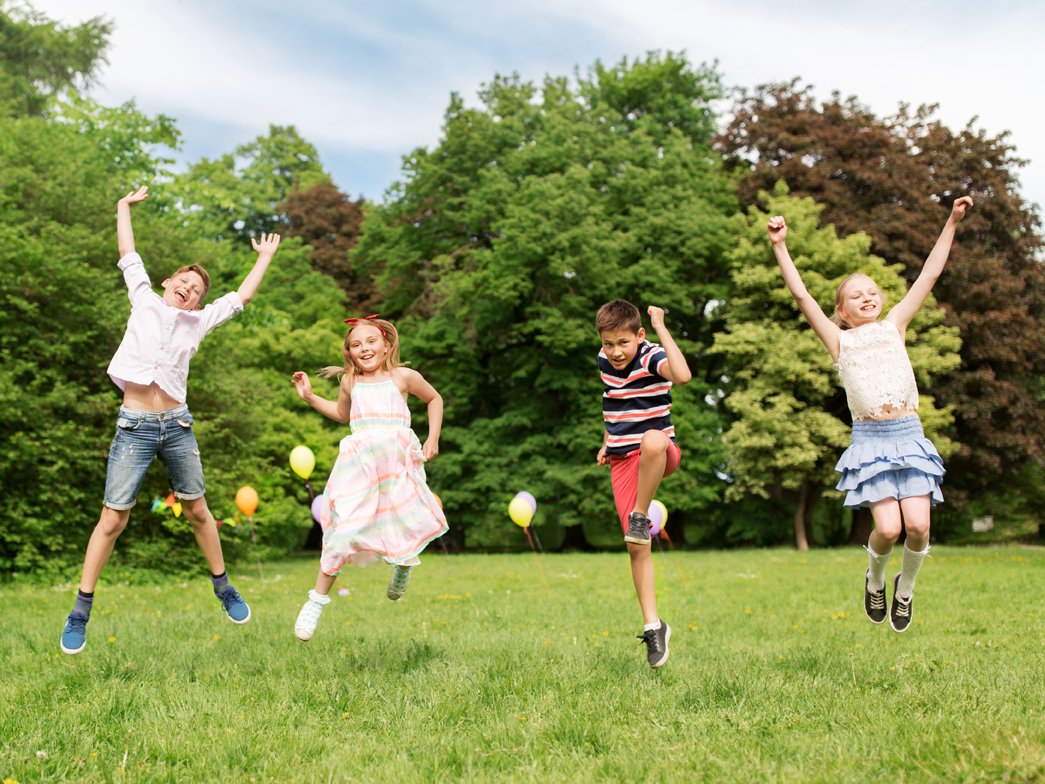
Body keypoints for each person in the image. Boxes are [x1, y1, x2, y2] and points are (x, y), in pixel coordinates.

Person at [60, 186, 281, 655]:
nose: (190, 289)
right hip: (135, 426)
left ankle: (223, 586)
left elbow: (241, 296)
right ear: (167, 282)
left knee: (199, 510)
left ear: (199, 303)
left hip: (177, 425)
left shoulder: (198, 322)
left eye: (197, 290)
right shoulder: (143, 298)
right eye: (184, 281)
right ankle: (80, 609)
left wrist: (263, 257)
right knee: (113, 519)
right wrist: (122, 206)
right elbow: (127, 252)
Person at [767, 195, 973, 633]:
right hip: (871, 442)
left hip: (910, 435)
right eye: (855, 295)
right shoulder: (839, 341)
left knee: (918, 526)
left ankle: (905, 589)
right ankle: (874, 577)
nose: (867, 297)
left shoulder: (895, 325)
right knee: (889, 529)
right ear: (841, 311)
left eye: (872, 291)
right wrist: (781, 247)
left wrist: (952, 221)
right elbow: (801, 296)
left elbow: (930, 274)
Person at [290, 315, 448, 642]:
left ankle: (403, 567)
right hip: (359, 467)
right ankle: (316, 600)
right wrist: (309, 398)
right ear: (349, 353)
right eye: (356, 345)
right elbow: (342, 414)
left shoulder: (403, 377)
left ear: (386, 344)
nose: (365, 348)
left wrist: (433, 438)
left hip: (395, 463)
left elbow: (434, 399)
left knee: (405, 520)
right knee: (341, 529)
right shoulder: (350, 382)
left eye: (371, 341)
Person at [595, 300, 692, 668]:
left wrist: (661, 328)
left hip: (658, 454)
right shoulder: (605, 361)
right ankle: (654, 627)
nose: (616, 352)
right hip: (622, 460)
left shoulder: (650, 355)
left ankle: (641, 513)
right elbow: (615, 403)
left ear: (639, 336)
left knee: (652, 439)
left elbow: (682, 376)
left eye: (623, 343)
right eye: (608, 343)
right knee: (636, 547)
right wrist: (608, 441)